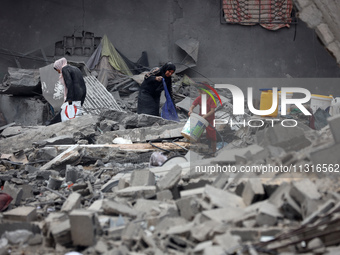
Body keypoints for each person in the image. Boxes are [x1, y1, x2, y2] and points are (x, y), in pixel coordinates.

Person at [50, 57, 87, 123]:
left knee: (66, 108)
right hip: (83, 92)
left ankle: (52, 123)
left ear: (59, 66)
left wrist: (69, 98)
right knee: (76, 109)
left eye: (57, 69)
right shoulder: (75, 68)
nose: (58, 71)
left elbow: (69, 84)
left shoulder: (65, 69)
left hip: (75, 93)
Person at [188, 84, 217, 153]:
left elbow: (212, 111)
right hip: (200, 119)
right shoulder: (199, 98)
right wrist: (190, 111)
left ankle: (214, 152)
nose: (199, 93)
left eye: (201, 92)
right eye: (199, 92)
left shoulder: (211, 99)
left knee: (212, 136)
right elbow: (192, 106)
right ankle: (197, 150)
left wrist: (204, 117)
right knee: (196, 134)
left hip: (210, 120)